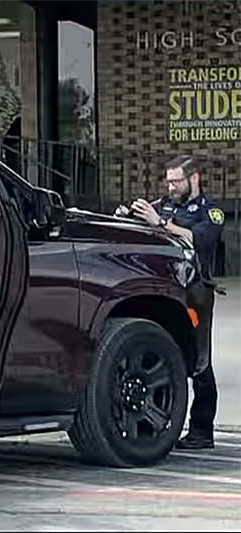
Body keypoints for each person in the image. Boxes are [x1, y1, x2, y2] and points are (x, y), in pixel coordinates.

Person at [115, 154, 224, 450]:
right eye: (169, 181)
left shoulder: (210, 212)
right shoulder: (163, 204)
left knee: (199, 361)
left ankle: (202, 430)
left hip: (196, 291)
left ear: (194, 179)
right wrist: (129, 214)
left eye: (176, 181)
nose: (171, 187)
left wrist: (161, 222)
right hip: (163, 290)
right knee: (164, 354)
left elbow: (198, 241)